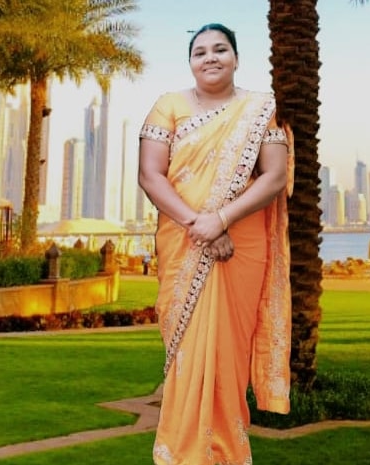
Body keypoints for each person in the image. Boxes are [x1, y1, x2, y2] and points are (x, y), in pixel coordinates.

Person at [138, 23, 293, 465]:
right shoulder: (168, 105)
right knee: (189, 349)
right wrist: (199, 224)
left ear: (236, 58)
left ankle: (226, 452)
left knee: (228, 353)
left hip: (241, 243)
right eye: (200, 51)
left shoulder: (262, 109)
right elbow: (151, 175)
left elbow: (275, 176)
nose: (210, 57)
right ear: (190, 62)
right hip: (184, 238)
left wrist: (223, 219)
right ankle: (183, 454)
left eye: (220, 49)